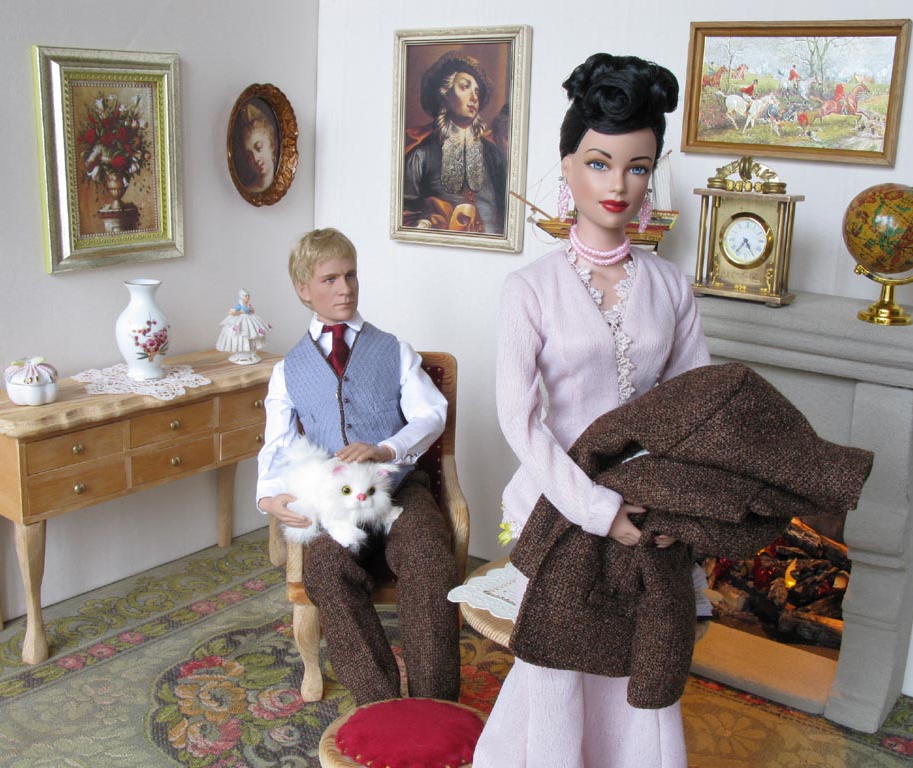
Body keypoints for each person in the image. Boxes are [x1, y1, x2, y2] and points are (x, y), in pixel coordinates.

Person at [473, 53, 711, 767]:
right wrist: (597, 509)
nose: (617, 185)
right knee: (556, 660)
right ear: (568, 168)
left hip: (650, 507)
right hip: (560, 502)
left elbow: (694, 406)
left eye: (637, 167)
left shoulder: (671, 286)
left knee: (643, 661)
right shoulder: (530, 288)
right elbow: (519, 418)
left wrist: (669, 508)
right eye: (600, 164)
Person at [256, 227, 460, 705]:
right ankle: (380, 705)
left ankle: (435, 706)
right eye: (329, 279)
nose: (345, 288)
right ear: (303, 289)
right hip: (335, 503)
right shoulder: (288, 370)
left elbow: (431, 414)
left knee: (428, 555)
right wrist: (267, 496)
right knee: (325, 571)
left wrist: (387, 449)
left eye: (350, 275)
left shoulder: (393, 350)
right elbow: (277, 442)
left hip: (399, 487)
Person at [402, 51, 507, 234]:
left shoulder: (494, 155)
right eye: (465, 87)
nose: (474, 97)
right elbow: (403, 216)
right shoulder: (420, 155)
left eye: (477, 91)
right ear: (445, 94)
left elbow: (508, 213)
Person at [236, 102, 277, 193]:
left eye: (259, 148)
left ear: (272, 145)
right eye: (249, 155)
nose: (255, 158)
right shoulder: (249, 191)